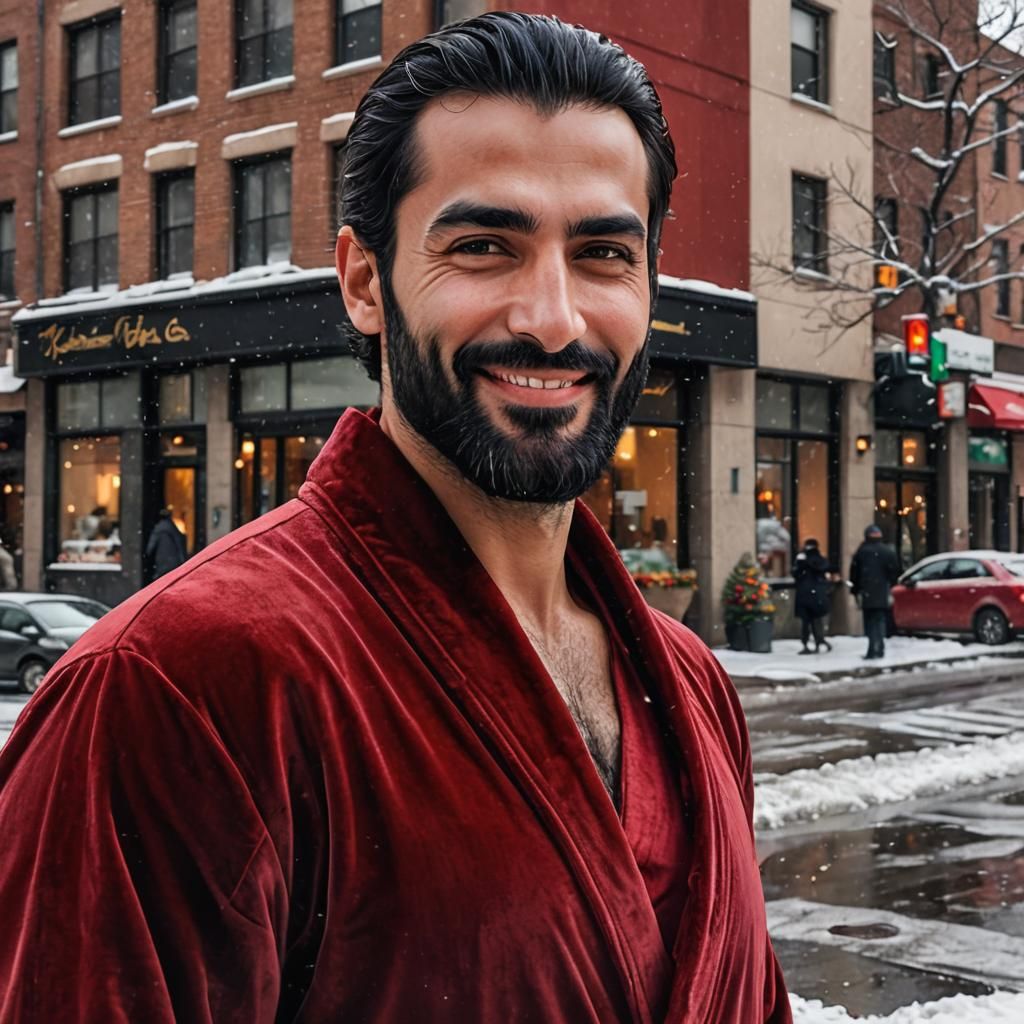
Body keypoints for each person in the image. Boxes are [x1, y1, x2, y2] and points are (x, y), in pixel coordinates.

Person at [0, 15, 790, 1023]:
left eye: (601, 253)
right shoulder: (176, 686)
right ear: (364, 281)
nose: (552, 318)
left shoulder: (690, 684)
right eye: (483, 246)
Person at [850, 523, 901, 659]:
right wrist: (890, 586)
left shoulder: (862, 552)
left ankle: (873, 649)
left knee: (870, 622)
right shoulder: (887, 551)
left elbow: (854, 573)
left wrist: (855, 590)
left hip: (867, 592)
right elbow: (895, 571)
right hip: (882, 591)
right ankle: (880, 647)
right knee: (879, 621)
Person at [792, 538, 833, 654]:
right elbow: (824, 568)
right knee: (816, 620)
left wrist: (802, 564)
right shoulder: (817, 558)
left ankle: (809, 643)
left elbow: (796, 574)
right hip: (816, 594)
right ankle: (818, 641)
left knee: (807, 621)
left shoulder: (804, 559)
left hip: (805, 594)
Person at [144, 506, 187, 580]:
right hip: (173, 561)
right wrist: (182, 559)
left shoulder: (158, 529)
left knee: (163, 580)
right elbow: (179, 543)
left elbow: (151, 546)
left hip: (162, 560)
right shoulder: (173, 528)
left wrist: (147, 554)